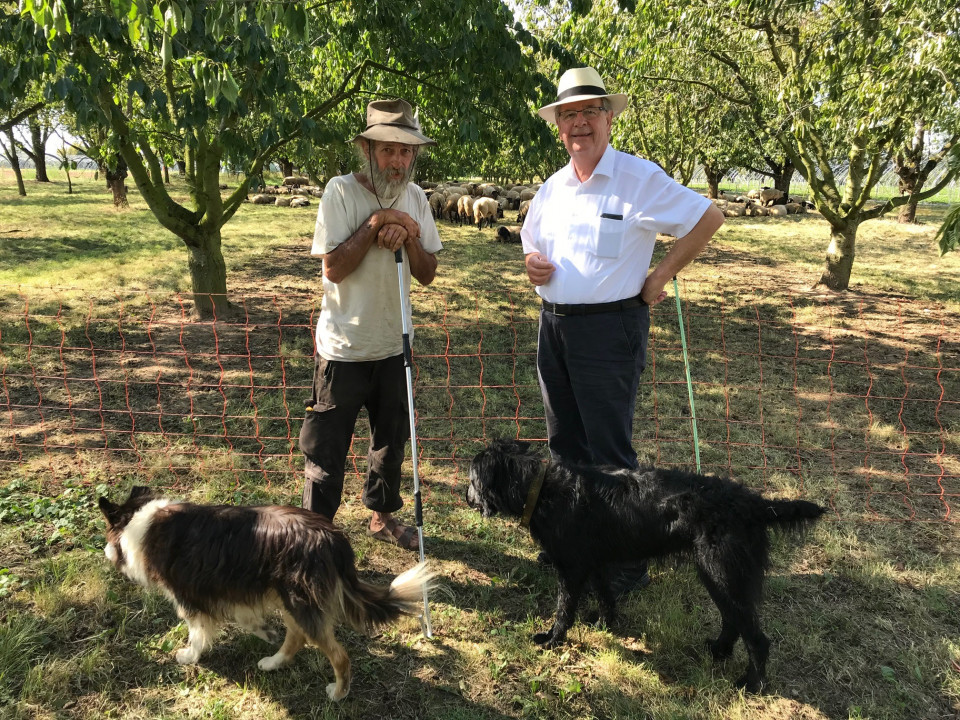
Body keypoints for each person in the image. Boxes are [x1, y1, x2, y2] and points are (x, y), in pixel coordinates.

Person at [521, 67, 725, 586]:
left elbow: (708, 217)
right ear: (558, 125)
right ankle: (574, 544)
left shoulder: (639, 178)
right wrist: (532, 265)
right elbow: (531, 239)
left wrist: (661, 274)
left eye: (591, 111)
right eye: (569, 114)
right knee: (564, 445)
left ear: (609, 116)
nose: (580, 123)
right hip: (555, 328)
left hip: (610, 330)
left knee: (609, 451)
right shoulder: (554, 186)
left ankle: (626, 562)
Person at [298, 98, 441, 550]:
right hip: (344, 346)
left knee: (390, 440)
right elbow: (334, 268)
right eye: (387, 150)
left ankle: (382, 517)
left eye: (405, 152)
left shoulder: (416, 197)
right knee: (326, 449)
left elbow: (427, 271)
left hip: (394, 343)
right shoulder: (340, 191)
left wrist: (409, 234)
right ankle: (316, 534)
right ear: (367, 149)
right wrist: (378, 221)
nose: (397, 161)